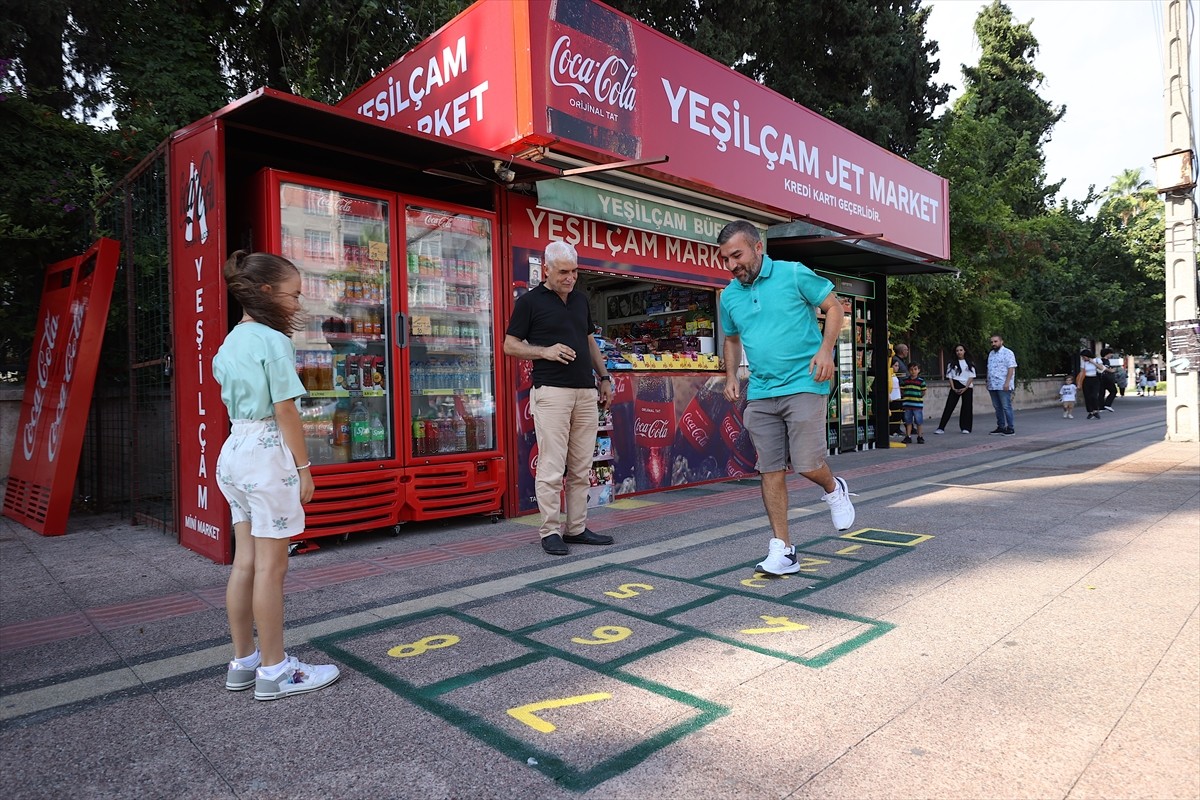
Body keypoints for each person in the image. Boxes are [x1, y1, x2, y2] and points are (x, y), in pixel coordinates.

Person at [212, 251, 340, 701]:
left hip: (234, 452)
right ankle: (276, 670)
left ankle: (243, 661)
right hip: (268, 455)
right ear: (266, 292)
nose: (297, 302)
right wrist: (304, 468)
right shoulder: (272, 341)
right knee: (272, 567)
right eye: (293, 293)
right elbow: (285, 409)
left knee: (244, 561)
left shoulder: (230, 341)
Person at [716, 220, 856, 576]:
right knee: (770, 469)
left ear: (758, 247)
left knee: (807, 464)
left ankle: (833, 486)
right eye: (725, 259)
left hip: (805, 382)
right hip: (762, 390)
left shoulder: (793, 274)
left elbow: (835, 307)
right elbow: (731, 340)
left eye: (737, 255)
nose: (732, 265)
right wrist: (731, 374)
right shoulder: (729, 295)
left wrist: (826, 350)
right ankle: (784, 549)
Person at [504, 241, 614, 556]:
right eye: (564, 271)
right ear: (547, 269)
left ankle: (576, 528)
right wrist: (544, 351)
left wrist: (604, 377)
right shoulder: (529, 302)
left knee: (581, 466)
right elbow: (509, 345)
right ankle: (550, 530)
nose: (570, 278)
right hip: (551, 392)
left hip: (585, 391)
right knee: (552, 467)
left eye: (575, 271)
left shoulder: (580, 300)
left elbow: (589, 340)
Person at [934, 343, 976, 434]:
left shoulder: (969, 362)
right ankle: (941, 427)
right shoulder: (951, 363)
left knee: (967, 407)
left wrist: (965, 388)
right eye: (957, 351)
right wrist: (953, 388)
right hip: (956, 385)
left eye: (961, 350)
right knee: (949, 406)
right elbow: (950, 377)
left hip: (967, 386)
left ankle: (966, 427)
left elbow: (971, 376)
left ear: (964, 351)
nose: (959, 352)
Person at [986, 334, 1017, 436]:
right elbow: (989, 368)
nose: (993, 344)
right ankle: (1001, 426)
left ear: (1001, 342)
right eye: (992, 342)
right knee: (997, 407)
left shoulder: (1008, 353)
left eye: (995, 341)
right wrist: (988, 381)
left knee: (1006, 406)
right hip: (992, 385)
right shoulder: (991, 354)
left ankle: (1010, 428)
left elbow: (1011, 368)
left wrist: (1007, 383)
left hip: (1003, 385)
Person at [900, 363, 927, 443]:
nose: (913, 371)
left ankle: (920, 436)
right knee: (908, 421)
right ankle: (908, 436)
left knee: (919, 421)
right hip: (907, 405)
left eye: (915, 369)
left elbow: (923, 391)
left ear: (918, 370)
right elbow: (902, 390)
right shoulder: (905, 381)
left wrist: (918, 397)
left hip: (917, 405)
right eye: (911, 369)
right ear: (909, 371)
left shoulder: (921, 381)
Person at [888, 343, 909, 436]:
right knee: (897, 412)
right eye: (906, 350)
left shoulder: (901, 360)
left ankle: (901, 428)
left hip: (899, 392)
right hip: (896, 392)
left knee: (900, 411)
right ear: (902, 351)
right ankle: (894, 429)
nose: (907, 352)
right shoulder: (896, 360)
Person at [1078, 348, 1105, 419]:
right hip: (1087, 379)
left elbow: (1101, 368)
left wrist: (1092, 362)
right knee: (1087, 396)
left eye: (1084, 357)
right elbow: (1082, 372)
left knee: (1094, 395)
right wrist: (1079, 382)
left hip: (1095, 378)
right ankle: (1090, 411)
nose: (1083, 358)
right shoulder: (1083, 362)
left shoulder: (1097, 360)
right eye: (1082, 357)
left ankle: (1096, 410)